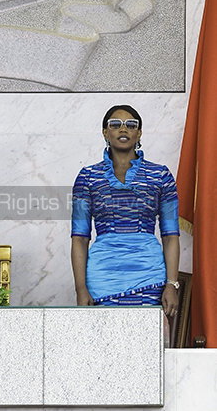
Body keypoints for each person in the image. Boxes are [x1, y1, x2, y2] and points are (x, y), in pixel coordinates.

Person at [71, 105, 180, 316]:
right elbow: (79, 238)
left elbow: (170, 236)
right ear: (105, 132)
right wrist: (81, 288)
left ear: (138, 133)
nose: (123, 129)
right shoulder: (88, 177)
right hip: (102, 279)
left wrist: (171, 284)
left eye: (131, 125)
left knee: (145, 343)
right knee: (104, 344)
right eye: (115, 124)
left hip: (149, 277)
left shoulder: (160, 176)